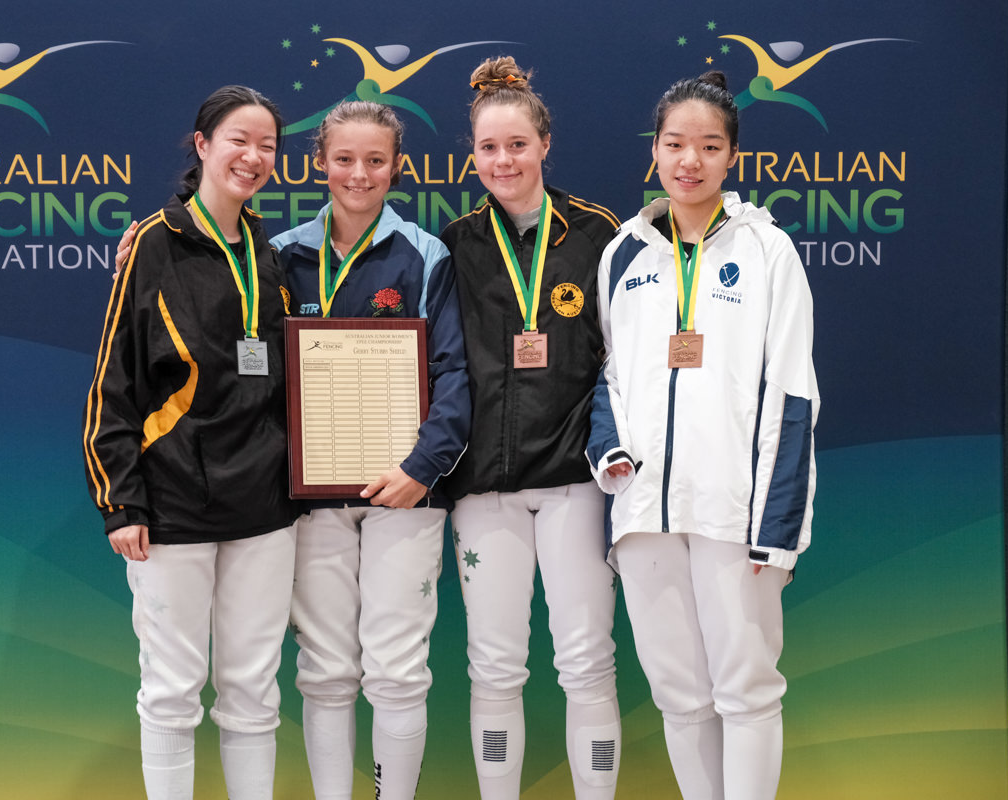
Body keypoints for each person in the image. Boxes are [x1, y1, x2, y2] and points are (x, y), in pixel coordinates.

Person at [587, 71, 819, 800]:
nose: (690, 160)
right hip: (645, 510)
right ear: (654, 150)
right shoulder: (623, 253)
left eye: (709, 146)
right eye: (676, 144)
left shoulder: (766, 250)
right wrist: (610, 455)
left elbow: (793, 393)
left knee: (747, 690)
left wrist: (775, 528)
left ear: (732, 157)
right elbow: (607, 376)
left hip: (733, 514)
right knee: (679, 695)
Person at [81, 85, 300, 800]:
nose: (254, 156)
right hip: (172, 504)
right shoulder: (150, 244)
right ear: (203, 145)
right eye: (239, 139)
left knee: (253, 690)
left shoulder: (270, 254)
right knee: (173, 690)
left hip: (265, 510)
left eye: (267, 145)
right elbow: (114, 378)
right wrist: (121, 501)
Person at [270, 100, 470, 800]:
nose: (360, 174)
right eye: (345, 159)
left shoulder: (426, 254)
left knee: (397, 669)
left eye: (376, 160)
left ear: (397, 166)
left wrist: (421, 469)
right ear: (319, 162)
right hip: (311, 497)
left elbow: (454, 373)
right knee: (324, 669)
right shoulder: (280, 256)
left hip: (405, 493)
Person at [439, 56, 622, 800]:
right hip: (483, 488)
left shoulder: (598, 233)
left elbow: (622, 359)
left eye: (517, 144)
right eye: (488, 148)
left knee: (586, 660)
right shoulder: (453, 244)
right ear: (472, 155)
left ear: (545, 143)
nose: (503, 160)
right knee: (494, 664)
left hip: (576, 482)